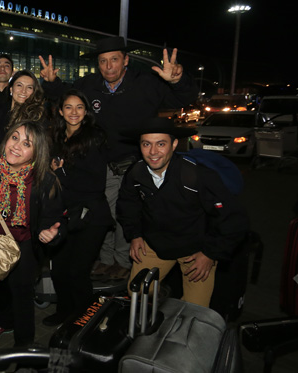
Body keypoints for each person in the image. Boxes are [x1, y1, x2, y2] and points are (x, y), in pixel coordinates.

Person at [39, 36, 198, 280]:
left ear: (125, 60)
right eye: (103, 61)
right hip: (98, 166)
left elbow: (183, 98)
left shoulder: (146, 83)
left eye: (114, 59)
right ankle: (104, 261)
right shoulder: (89, 85)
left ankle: (123, 263)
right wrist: (50, 83)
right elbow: (65, 97)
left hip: (134, 165)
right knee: (101, 216)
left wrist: (177, 80)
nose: (108, 66)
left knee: (126, 215)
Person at [117, 117, 248, 307]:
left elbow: (234, 219)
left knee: (194, 310)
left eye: (161, 144)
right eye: (147, 144)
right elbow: (128, 204)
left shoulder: (198, 176)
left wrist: (210, 254)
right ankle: (161, 303)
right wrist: (135, 234)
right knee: (137, 291)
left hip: (195, 249)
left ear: (174, 144)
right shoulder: (136, 173)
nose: (153, 152)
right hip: (157, 244)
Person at [0, 121, 65, 346]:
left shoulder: (46, 182)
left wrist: (52, 234)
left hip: (25, 247)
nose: (16, 146)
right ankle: (3, 320)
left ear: (37, 152)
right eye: (14, 137)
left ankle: (24, 347)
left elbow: (56, 222)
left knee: (22, 296)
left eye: (27, 143)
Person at [43, 89, 113, 326]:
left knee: (78, 272)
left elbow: (96, 183)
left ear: (86, 111)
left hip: (91, 215)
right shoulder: (57, 137)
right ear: (60, 111)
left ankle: (85, 322)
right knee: (59, 271)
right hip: (66, 214)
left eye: (79, 107)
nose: (74, 112)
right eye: (69, 107)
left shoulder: (94, 137)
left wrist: (60, 172)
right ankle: (65, 313)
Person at [0, 70, 47, 148]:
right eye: (19, 85)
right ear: (11, 89)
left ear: (34, 92)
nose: (23, 91)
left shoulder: (36, 117)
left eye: (29, 87)